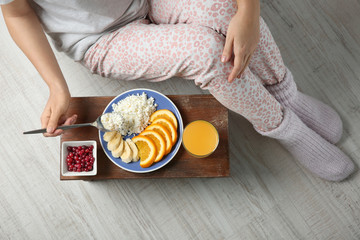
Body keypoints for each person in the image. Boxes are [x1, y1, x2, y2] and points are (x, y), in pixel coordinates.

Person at [1, 0, 355, 181]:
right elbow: (16, 13)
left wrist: (248, 9)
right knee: (204, 52)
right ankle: (286, 129)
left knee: (224, 6)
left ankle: (286, 95)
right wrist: (56, 86)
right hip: (101, 38)